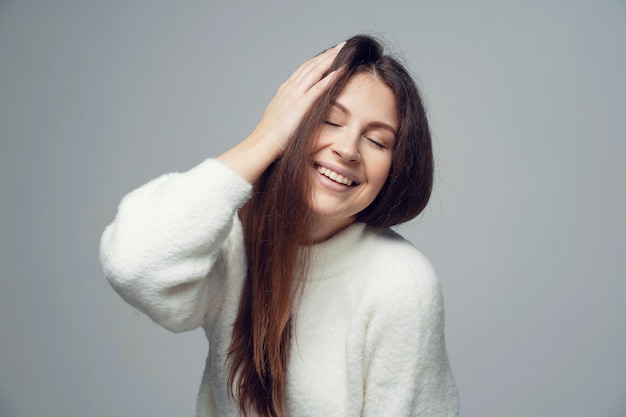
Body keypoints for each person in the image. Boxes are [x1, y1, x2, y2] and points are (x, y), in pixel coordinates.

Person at [100, 34, 459, 417]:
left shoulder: (401, 283)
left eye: (376, 140)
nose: (348, 149)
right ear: (293, 121)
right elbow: (134, 264)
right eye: (329, 120)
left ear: (396, 165)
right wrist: (264, 138)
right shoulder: (232, 238)